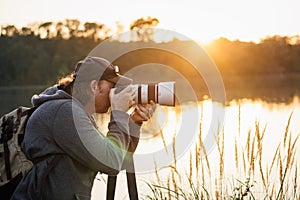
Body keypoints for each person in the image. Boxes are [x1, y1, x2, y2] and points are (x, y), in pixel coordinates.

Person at [11, 56, 155, 200]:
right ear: (94, 86)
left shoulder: (76, 113)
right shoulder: (64, 113)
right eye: (112, 86)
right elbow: (111, 163)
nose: (115, 92)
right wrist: (119, 113)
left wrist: (134, 122)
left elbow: (120, 160)